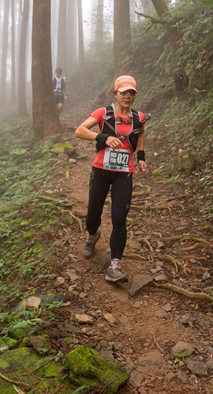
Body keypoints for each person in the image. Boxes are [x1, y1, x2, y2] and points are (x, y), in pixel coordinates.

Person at [74, 75, 148, 283]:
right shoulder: (104, 113)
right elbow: (80, 131)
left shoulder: (138, 117)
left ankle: (115, 264)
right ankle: (92, 235)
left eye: (131, 93)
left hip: (124, 173)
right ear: (116, 93)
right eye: (124, 92)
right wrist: (103, 137)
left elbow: (140, 134)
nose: (128, 96)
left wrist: (140, 156)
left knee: (119, 218)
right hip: (101, 170)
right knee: (93, 215)